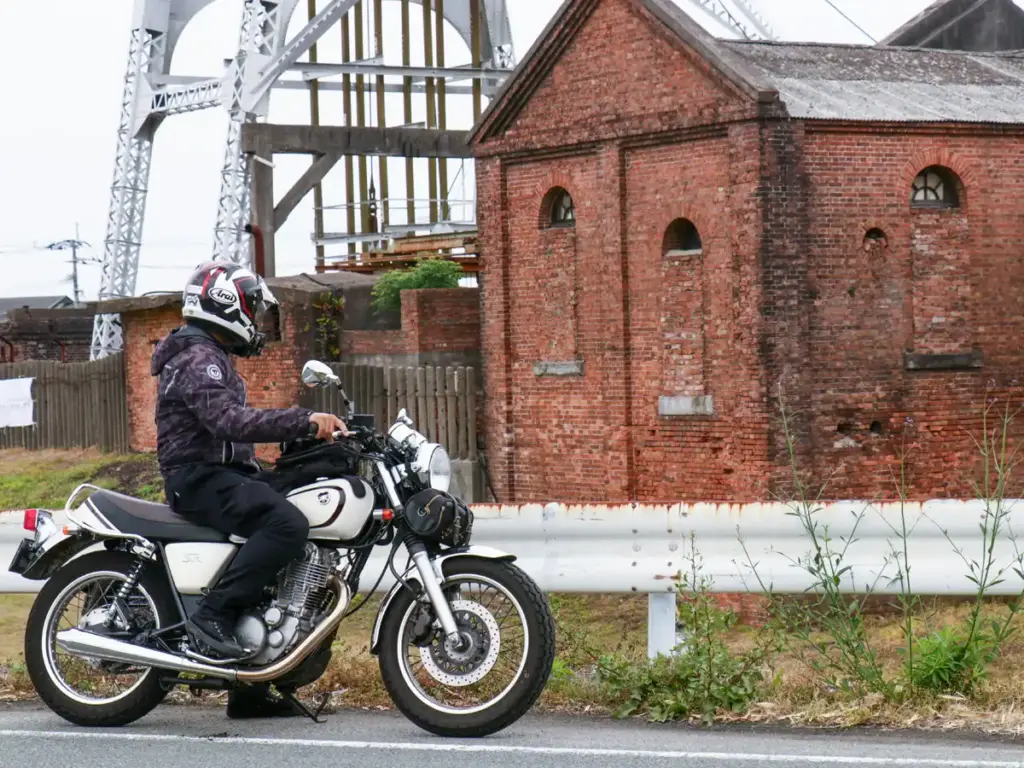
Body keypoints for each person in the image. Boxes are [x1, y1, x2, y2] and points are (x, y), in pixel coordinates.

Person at [150, 260, 347, 718]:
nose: (255, 320)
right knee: (286, 523)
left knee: (298, 509)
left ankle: (253, 686)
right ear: (225, 303)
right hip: (197, 479)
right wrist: (302, 419)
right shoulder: (198, 357)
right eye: (251, 308)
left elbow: (231, 428)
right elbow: (228, 421)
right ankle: (211, 614)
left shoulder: (210, 355)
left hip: (225, 475)